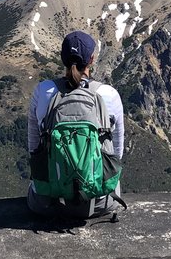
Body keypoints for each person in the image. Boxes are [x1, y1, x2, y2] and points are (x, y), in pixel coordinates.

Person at [27, 30, 125, 218]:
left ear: (63, 59)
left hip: (47, 203)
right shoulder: (109, 94)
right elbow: (116, 154)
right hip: (100, 202)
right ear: (92, 59)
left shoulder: (43, 91)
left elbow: (34, 148)